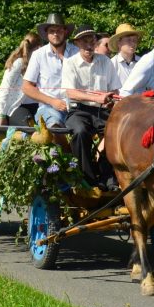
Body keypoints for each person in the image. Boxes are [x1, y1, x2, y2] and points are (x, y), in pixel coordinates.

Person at [62, 25, 121, 189]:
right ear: (77, 43)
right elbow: (71, 93)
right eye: (84, 41)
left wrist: (111, 100)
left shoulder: (105, 61)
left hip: (101, 110)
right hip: (78, 110)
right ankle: (86, 179)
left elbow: (115, 90)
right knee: (79, 132)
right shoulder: (70, 63)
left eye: (91, 40)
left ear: (96, 42)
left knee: (115, 132)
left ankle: (108, 176)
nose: (88, 45)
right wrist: (98, 97)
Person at [22, 13, 78, 127]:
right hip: (48, 107)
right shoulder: (38, 55)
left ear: (65, 31)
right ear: (47, 34)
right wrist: (52, 101)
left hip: (76, 108)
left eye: (59, 30)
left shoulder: (77, 52)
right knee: (54, 125)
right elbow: (26, 87)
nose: (55, 34)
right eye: (52, 31)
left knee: (84, 129)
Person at [0, 32, 42, 126]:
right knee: (29, 126)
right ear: (38, 47)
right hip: (18, 107)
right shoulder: (18, 63)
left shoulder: (40, 64)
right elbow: (5, 88)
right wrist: (1, 115)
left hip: (38, 105)